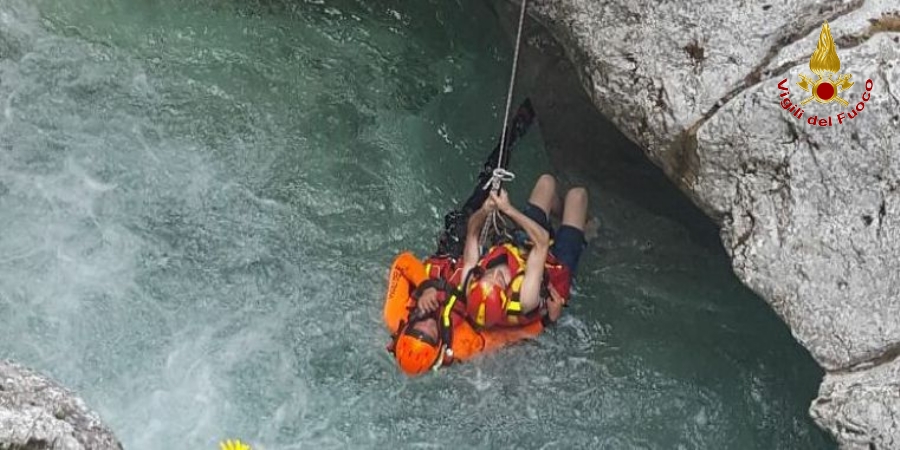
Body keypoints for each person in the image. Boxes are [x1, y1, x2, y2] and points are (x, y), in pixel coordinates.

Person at [384, 100, 548, 377]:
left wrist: (425, 286)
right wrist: (540, 312)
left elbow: (403, 262)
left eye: (416, 330)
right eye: (430, 337)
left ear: (404, 330)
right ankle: (548, 207)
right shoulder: (464, 345)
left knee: (484, 189)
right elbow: (512, 335)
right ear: (438, 347)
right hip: (479, 281)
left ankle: (515, 130)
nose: (426, 327)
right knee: (527, 243)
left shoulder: (394, 314)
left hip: (452, 255)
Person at [460, 174, 589, 329]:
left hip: (523, 247)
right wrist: (508, 209)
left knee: (546, 182)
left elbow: (472, 231)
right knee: (577, 196)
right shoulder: (525, 299)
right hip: (554, 265)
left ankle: (563, 212)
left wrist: (485, 209)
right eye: (500, 281)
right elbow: (542, 241)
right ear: (505, 298)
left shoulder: (469, 281)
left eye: (488, 277)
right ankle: (585, 227)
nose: (495, 274)